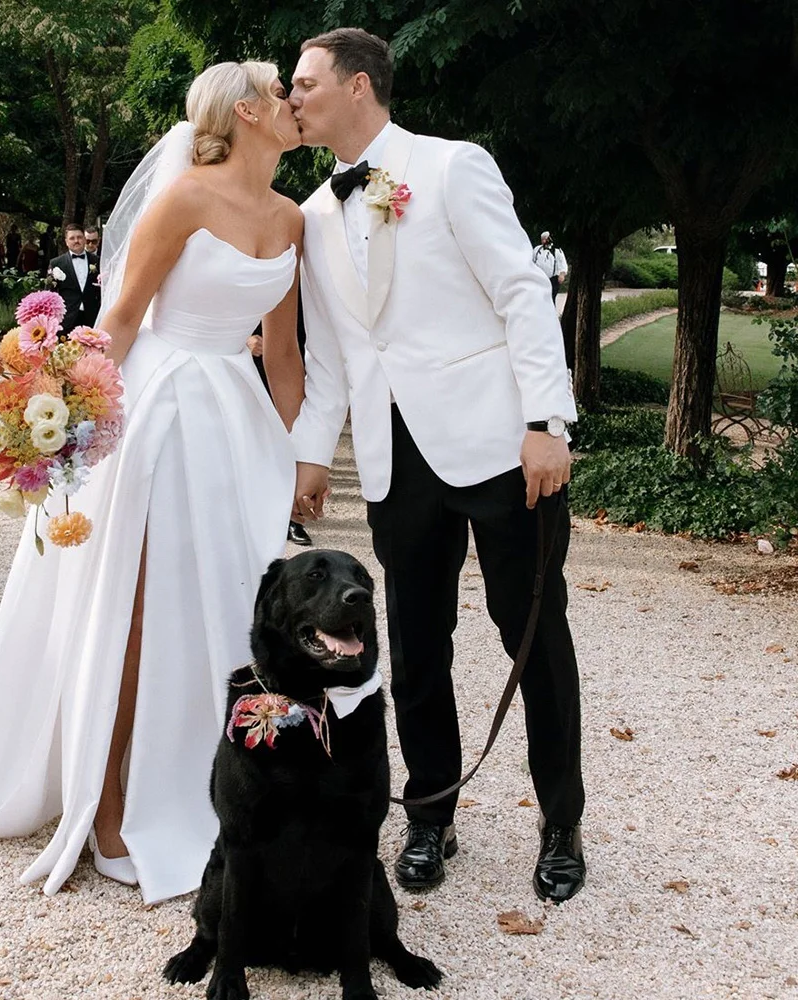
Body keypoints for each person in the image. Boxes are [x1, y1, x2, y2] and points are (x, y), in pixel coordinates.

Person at [0, 61, 305, 905]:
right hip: (160, 412)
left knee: (226, 604)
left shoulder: (291, 219)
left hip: (234, 427)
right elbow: (123, 319)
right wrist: (64, 418)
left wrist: (294, 458)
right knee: (135, 606)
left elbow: (283, 352)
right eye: (281, 92)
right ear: (246, 111)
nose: (292, 104)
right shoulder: (182, 200)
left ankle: (220, 783)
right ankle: (107, 804)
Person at [288, 28, 585, 903]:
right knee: (415, 648)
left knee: (534, 640)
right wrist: (314, 456)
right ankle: (430, 814)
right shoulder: (310, 214)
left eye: (303, 83)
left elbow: (521, 291)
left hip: (500, 446)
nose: (291, 97)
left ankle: (561, 820)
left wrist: (546, 419)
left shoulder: (454, 167)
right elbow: (336, 353)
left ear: (357, 87)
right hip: (392, 460)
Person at [247, 317, 313, 546]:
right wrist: (244, 341)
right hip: (248, 364)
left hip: (294, 358)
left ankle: (290, 518)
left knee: (288, 440)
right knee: (255, 444)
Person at [49, 225, 102, 333]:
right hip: (67, 319)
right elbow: (50, 293)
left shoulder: (97, 261)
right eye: (72, 238)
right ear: (66, 241)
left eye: (79, 237)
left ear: (84, 239)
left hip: (92, 318)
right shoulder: (56, 263)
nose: (76, 241)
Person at [533, 231, 568, 303]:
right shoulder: (537, 249)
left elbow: (562, 263)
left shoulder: (557, 250)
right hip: (539, 278)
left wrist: (562, 274)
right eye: (542, 239)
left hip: (553, 279)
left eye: (545, 239)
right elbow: (532, 261)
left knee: (551, 298)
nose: (543, 241)